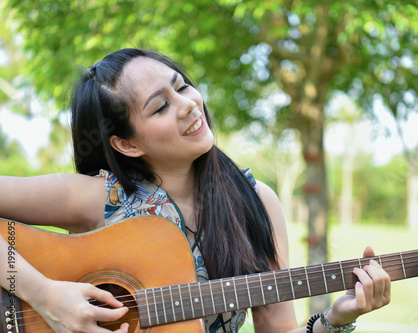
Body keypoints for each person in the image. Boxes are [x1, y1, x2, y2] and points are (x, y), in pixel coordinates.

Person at [0, 48, 390, 333]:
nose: (188, 105)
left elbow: (280, 331)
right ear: (127, 144)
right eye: (160, 107)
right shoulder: (97, 197)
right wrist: (45, 296)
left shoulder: (255, 201)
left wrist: (338, 319)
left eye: (183, 87)